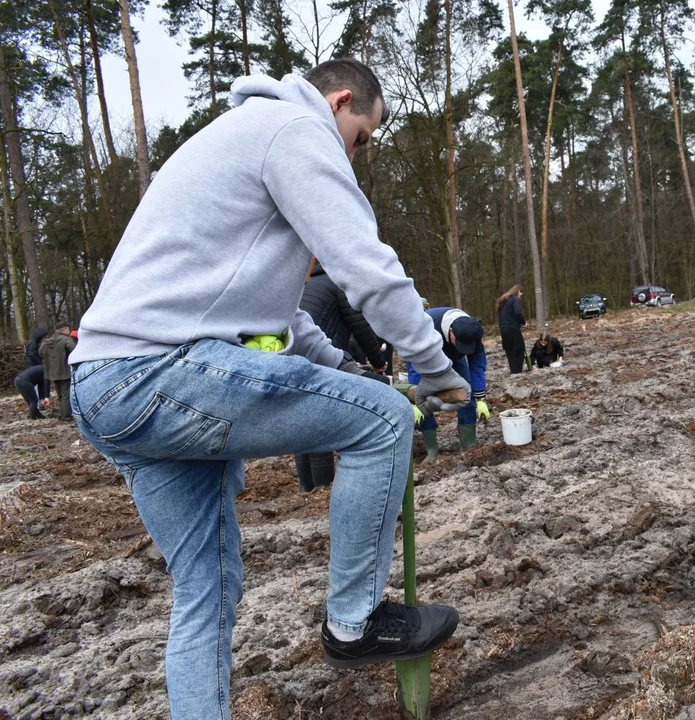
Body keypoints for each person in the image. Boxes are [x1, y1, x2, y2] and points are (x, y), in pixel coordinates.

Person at [67, 59, 471, 719]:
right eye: (360, 138)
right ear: (340, 102)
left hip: (105, 385)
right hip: (158, 372)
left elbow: (279, 316)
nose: (355, 155)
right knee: (387, 420)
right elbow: (366, 269)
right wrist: (436, 369)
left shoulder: (240, 142)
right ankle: (355, 621)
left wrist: (345, 369)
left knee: (208, 590)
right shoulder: (294, 129)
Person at [295, 262, 391, 492]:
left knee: (303, 422)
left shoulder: (302, 284)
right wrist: (378, 364)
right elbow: (360, 326)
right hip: (323, 354)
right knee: (320, 423)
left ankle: (307, 488)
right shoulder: (338, 284)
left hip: (293, 352)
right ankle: (324, 487)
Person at [407, 307, 488, 462]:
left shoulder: (474, 331)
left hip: (455, 359)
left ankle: (468, 444)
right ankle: (432, 450)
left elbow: (476, 365)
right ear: (451, 332)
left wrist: (480, 398)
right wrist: (416, 395)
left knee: (466, 392)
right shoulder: (426, 326)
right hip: (425, 358)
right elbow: (414, 363)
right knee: (423, 400)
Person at [40, 322, 77, 420]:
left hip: (53, 372)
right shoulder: (66, 340)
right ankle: (66, 416)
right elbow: (75, 351)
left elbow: (40, 352)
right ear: (64, 329)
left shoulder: (47, 342)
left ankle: (62, 414)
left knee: (60, 395)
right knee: (66, 394)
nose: (69, 331)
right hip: (65, 371)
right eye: (68, 329)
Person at [13, 327, 50, 420]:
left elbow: (42, 384)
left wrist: (43, 397)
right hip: (25, 378)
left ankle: (37, 414)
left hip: (20, 379)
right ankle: (34, 417)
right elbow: (45, 383)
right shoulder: (33, 343)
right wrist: (46, 397)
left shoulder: (33, 342)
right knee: (33, 400)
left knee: (32, 400)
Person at [496, 284, 527, 374]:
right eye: (521, 293)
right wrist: (523, 322)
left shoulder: (503, 301)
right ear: (518, 291)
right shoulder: (515, 299)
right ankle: (518, 372)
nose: (521, 295)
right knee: (519, 348)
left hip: (503, 328)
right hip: (512, 328)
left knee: (509, 350)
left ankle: (513, 371)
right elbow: (517, 312)